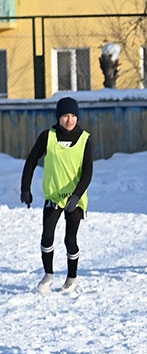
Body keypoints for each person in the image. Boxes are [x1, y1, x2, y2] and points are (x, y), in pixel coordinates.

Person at [20, 96, 94, 294]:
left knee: (70, 239)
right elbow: (31, 160)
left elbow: (87, 172)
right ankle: (48, 275)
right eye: (64, 116)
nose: (69, 120)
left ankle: (72, 278)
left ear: (77, 117)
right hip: (54, 196)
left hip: (75, 199)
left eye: (72, 116)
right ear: (58, 117)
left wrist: (77, 196)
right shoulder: (48, 136)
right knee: (47, 236)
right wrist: (25, 188)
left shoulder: (85, 138)